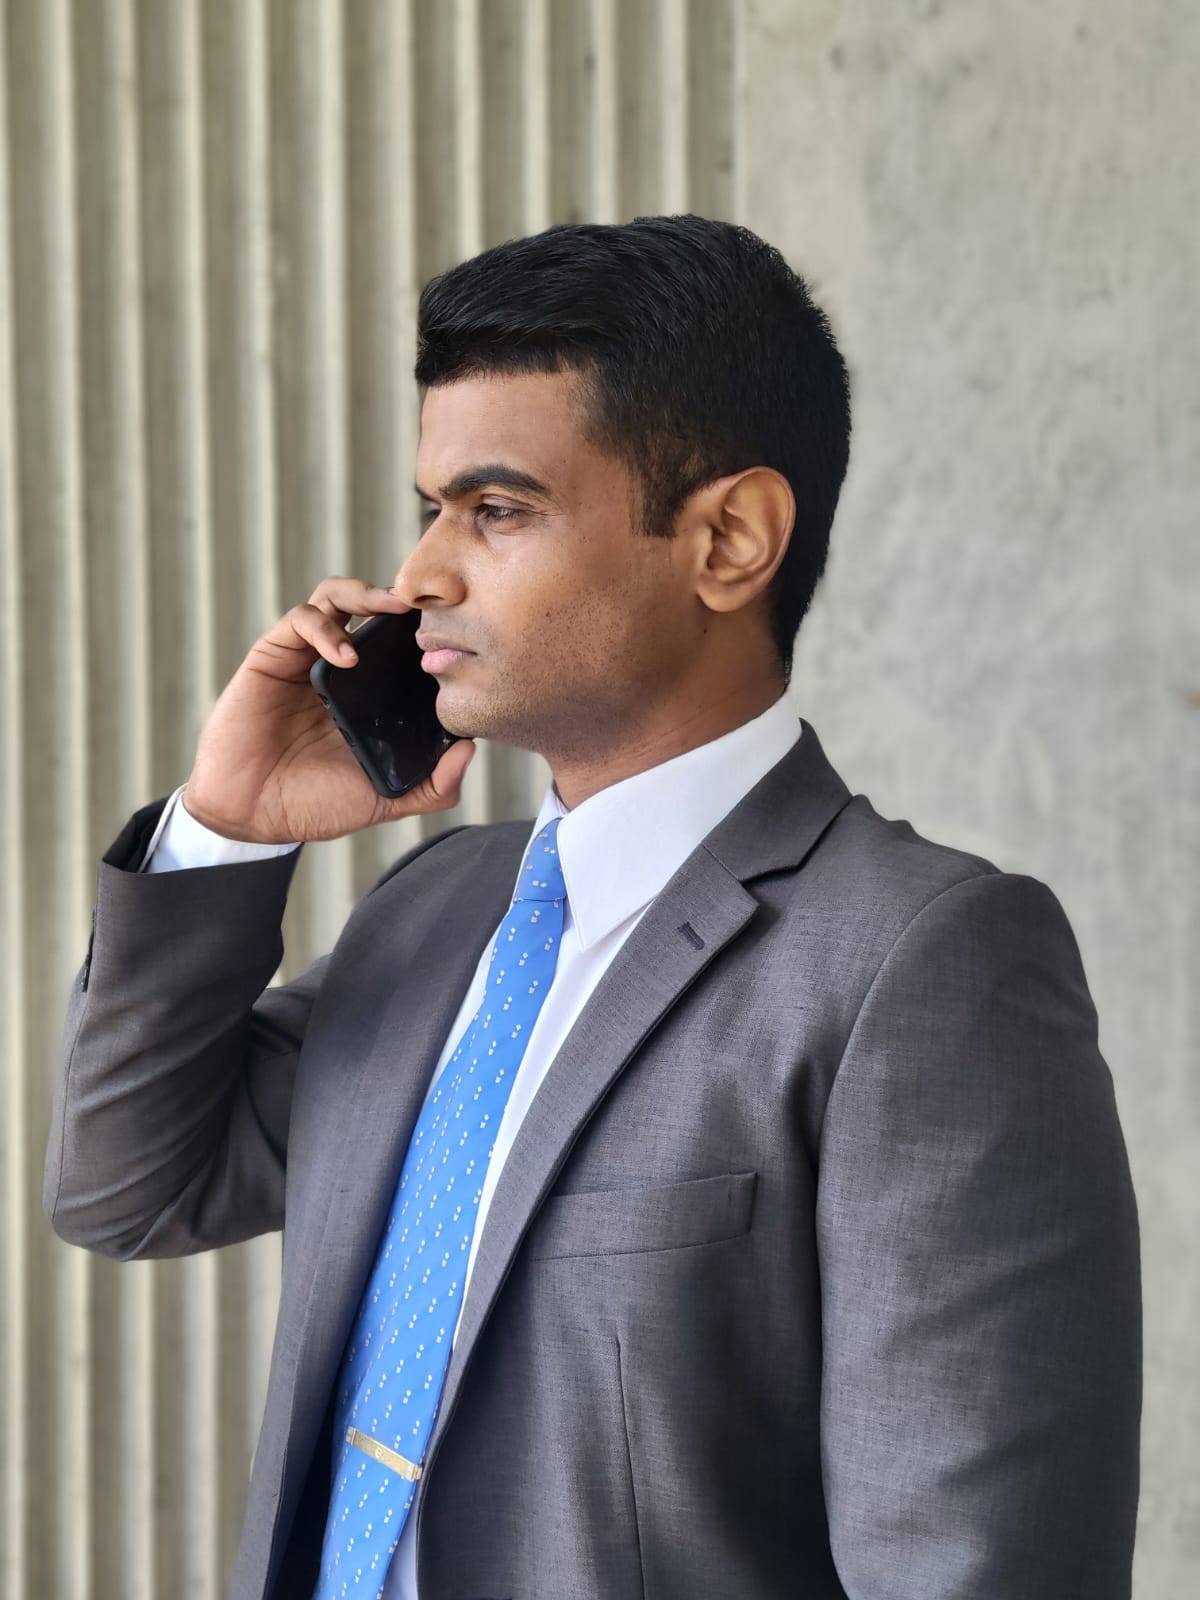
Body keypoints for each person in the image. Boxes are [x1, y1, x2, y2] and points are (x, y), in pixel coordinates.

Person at [43, 215, 1141, 1600]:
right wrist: (224, 827)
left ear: (729, 538)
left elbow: (971, 1573)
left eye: (496, 511)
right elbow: (132, 1188)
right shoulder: (439, 911)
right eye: (432, 506)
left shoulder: (919, 964)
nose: (425, 573)